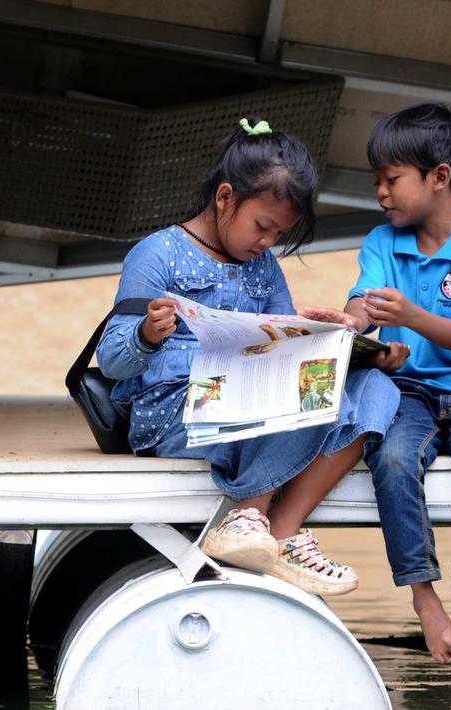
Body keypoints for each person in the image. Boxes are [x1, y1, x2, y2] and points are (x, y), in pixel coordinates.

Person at [97, 118, 408, 597]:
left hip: (256, 410)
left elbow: (287, 350)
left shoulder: (264, 267)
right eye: (263, 226)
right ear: (225, 197)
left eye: (279, 234)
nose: (267, 243)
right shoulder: (157, 254)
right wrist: (145, 334)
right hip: (179, 415)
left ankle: (277, 530)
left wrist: (347, 343)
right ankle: (249, 516)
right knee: (298, 394)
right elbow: (112, 360)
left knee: (377, 390)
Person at [311, 103, 451, 673]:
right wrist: (351, 320)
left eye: (391, 179)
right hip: (407, 390)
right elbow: (365, 302)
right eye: (376, 181)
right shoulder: (383, 242)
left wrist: (412, 315)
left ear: (439, 177)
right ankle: (425, 601)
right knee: (394, 457)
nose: (381, 193)